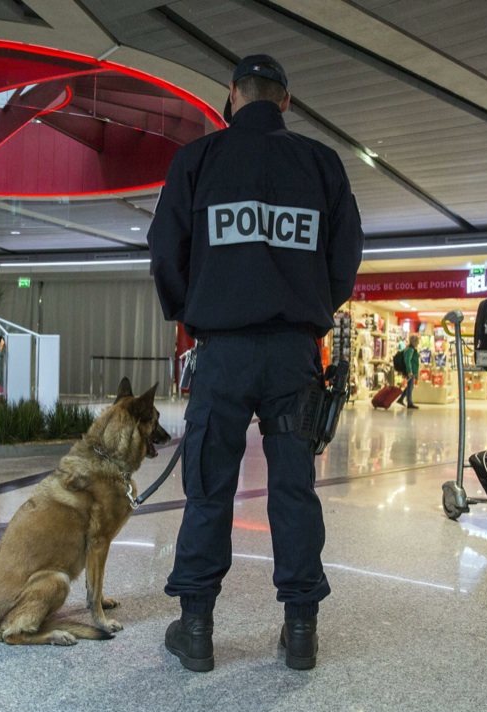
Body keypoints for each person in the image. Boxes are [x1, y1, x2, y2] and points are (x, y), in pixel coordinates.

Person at [148, 54, 363, 672]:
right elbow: (344, 256)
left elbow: (166, 249)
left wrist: (196, 310)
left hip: (223, 352)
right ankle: (300, 632)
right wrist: (308, 303)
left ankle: (195, 630)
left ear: (231, 96)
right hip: (296, 355)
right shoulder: (322, 164)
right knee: (294, 491)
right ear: (287, 102)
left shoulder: (199, 160)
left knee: (208, 489)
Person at [401, 333, 420, 409]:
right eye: (417, 341)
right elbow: (408, 360)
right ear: (413, 341)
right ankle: (409, 402)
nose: (418, 343)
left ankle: (403, 399)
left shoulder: (412, 349)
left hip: (412, 371)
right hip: (410, 371)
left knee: (410, 386)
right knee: (410, 387)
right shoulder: (410, 350)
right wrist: (409, 371)